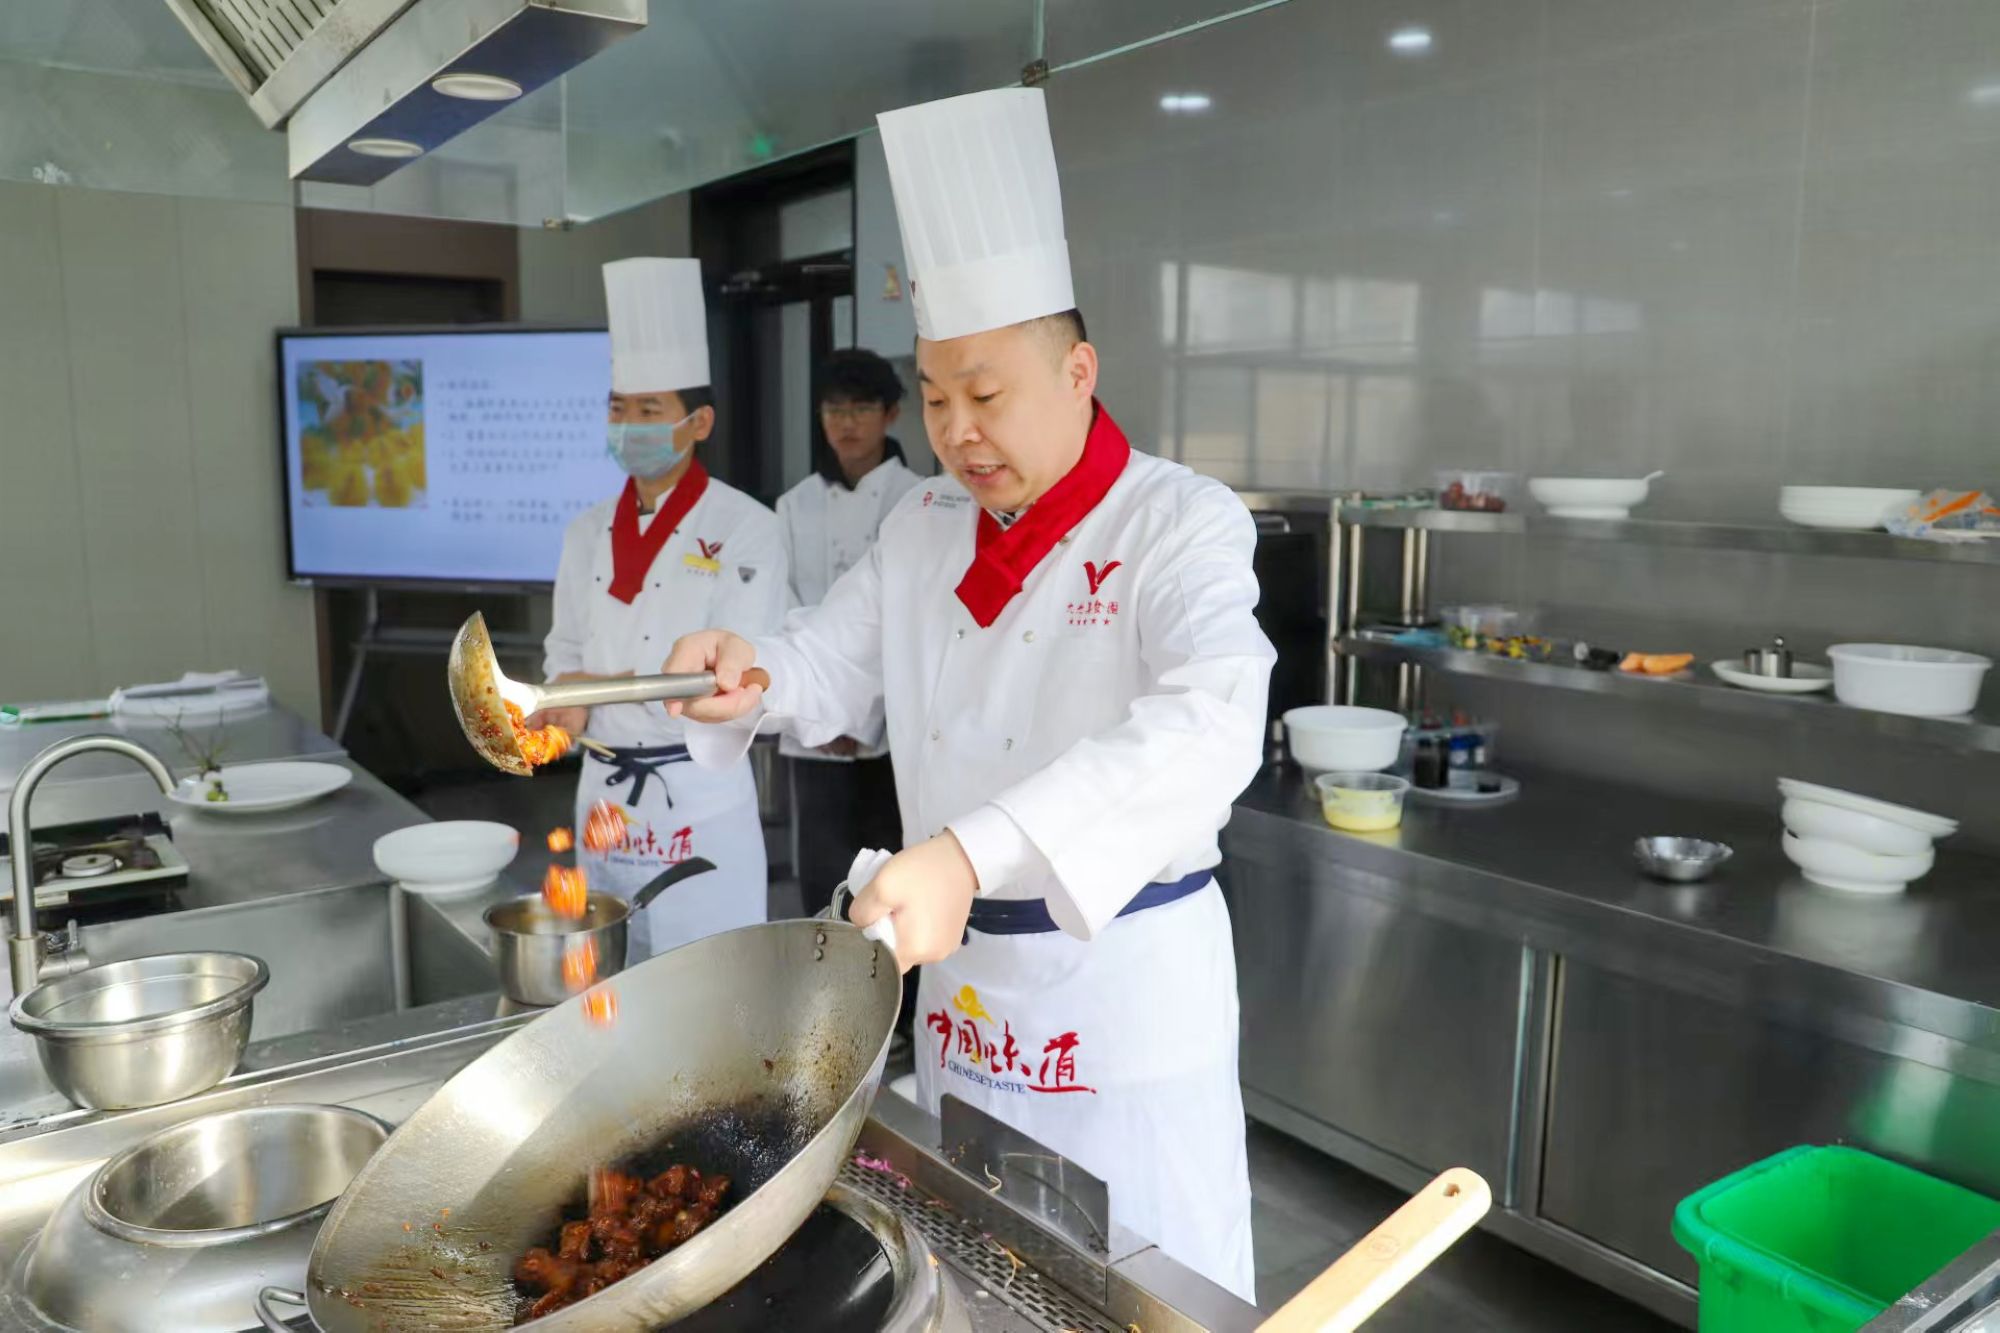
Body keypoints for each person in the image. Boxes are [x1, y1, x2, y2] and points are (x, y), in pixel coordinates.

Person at [660, 89, 1273, 1300]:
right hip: (962, 996)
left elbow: (1210, 716)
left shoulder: (1176, 520)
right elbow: (832, 657)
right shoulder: (926, 522)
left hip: (1115, 1000)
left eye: (985, 396)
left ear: (1078, 370)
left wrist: (968, 852)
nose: (955, 431)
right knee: (979, 1277)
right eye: (935, 396)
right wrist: (753, 672)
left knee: (1143, 1292)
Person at [534, 257, 787, 962]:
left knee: (706, 978)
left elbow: (727, 673)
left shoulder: (747, 526)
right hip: (604, 795)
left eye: (649, 411)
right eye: (618, 408)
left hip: (697, 793)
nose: (628, 425)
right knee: (611, 977)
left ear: (698, 421)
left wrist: (593, 692)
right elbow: (565, 652)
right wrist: (562, 705)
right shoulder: (586, 530)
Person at [775, 348, 921, 918]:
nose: (846, 423)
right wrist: (819, 713)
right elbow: (782, 604)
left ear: (891, 414)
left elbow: (915, 620)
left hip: (892, 728)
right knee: (822, 875)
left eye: (861, 408)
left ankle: (898, 980)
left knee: (892, 877)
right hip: (812, 731)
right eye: (834, 409)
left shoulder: (922, 499)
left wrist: (858, 717)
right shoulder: (795, 505)